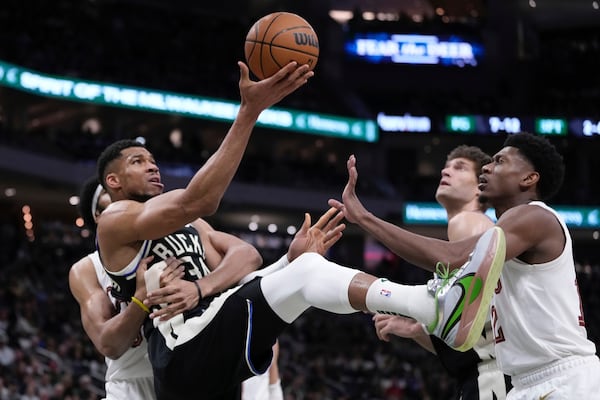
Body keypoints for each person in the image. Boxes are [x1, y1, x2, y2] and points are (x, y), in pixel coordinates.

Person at [94, 63, 505, 399]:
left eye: (151, 159)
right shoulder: (115, 221)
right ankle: (434, 306)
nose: (152, 166)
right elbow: (198, 199)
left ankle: (436, 307)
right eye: (136, 161)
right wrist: (249, 111)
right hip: (181, 349)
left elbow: (246, 258)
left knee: (304, 267)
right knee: (308, 275)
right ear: (112, 183)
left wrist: (283, 261)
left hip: (207, 342)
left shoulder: (190, 226)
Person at [330, 132, 600, 399]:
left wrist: (365, 218)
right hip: (524, 382)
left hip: (561, 378)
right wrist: (419, 328)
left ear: (529, 178)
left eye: (500, 162)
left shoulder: (533, 216)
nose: (487, 166)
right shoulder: (504, 235)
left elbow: (450, 257)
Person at [372, 145, 510, 399]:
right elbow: (469, 337)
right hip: (486, 373)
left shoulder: (468, 221)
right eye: (446, 166)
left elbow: (482, 324)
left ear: (480, 185)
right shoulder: (470, 228)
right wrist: (417, 330)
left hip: (495, 375)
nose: (446, 171)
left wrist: (384, 296)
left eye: (460, 167)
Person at [69, 177, 190, 399]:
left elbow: (246, 256)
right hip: (131, 385)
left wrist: (201, 287)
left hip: (186, 378)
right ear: (99, 215)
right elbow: (109, 345)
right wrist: (142, 296)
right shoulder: (87, 269)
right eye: (111, 193)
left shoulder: (181, 240)